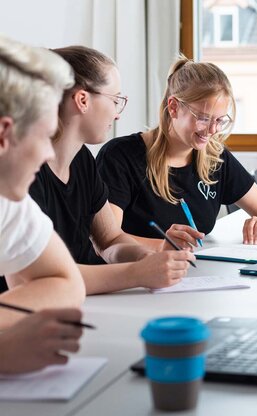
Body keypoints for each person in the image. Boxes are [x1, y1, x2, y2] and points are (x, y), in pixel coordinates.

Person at [29, 45, 195, 295]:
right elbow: (47, 277)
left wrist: (147, 257)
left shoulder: (82, 159)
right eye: (116, 100)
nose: (118, 115)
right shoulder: (25, 173)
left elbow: (110, 240)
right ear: (83, 100)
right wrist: (137, 273)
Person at [96, 55, 257, 249]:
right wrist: (164, 246)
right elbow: (105, 241)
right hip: (134, 273)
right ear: (173, 107)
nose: (212, 130)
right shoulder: (120, 156)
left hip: (196, 274)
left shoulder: (215, 157)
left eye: (219, 120)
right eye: (203, 118)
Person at [0, 35, 86, 372]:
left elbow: (66, 282)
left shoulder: (8, 202)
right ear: (5, 134)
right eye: (46, 136)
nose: (50, 152)